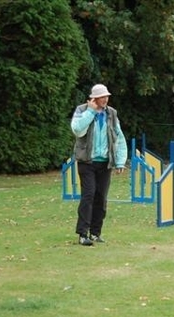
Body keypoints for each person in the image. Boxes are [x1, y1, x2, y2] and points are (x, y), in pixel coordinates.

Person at [71, 84, 128, 246]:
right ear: (94, 98)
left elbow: (119, 138)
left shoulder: (111, 114)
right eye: (102, 97)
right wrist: (90, 112)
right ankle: (83, 234)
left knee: (101, 198)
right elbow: (77, 130)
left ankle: (95, 233)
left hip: (105, 163)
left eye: (107, 96)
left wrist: (120, 161)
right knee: (88, 195)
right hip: (87, 162)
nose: (105, 99)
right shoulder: (82, 110)